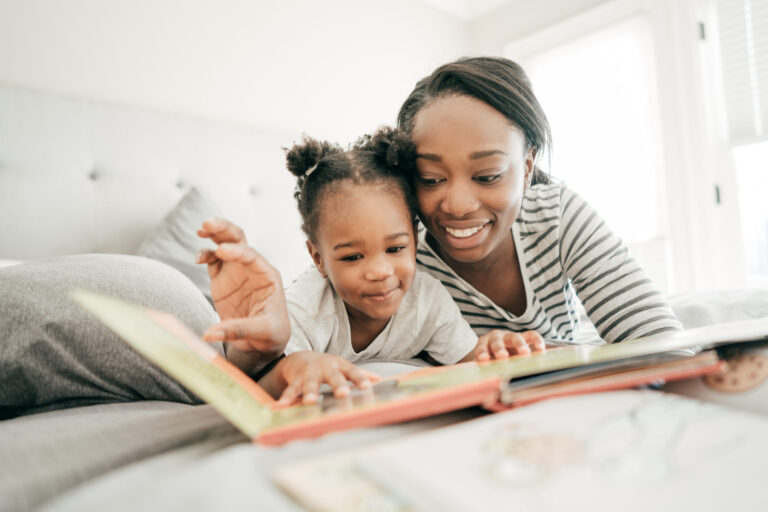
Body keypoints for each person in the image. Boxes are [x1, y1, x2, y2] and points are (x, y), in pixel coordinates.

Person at [196, 127, 544, 405]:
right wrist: (295, 367)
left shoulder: (428, 299)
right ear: (319, 259)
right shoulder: (306, 305)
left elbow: (467, 362)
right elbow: (258, 384)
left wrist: (490, 349)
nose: (379, 271)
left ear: (415, 238)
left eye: (395, 248)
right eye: (352, 257)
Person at [396, 56, 682, 343]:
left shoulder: (556, 216)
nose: (457, 205)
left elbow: (660, 340)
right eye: (429, 178)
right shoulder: (399, 252)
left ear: (527, 168)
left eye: (487, 176)